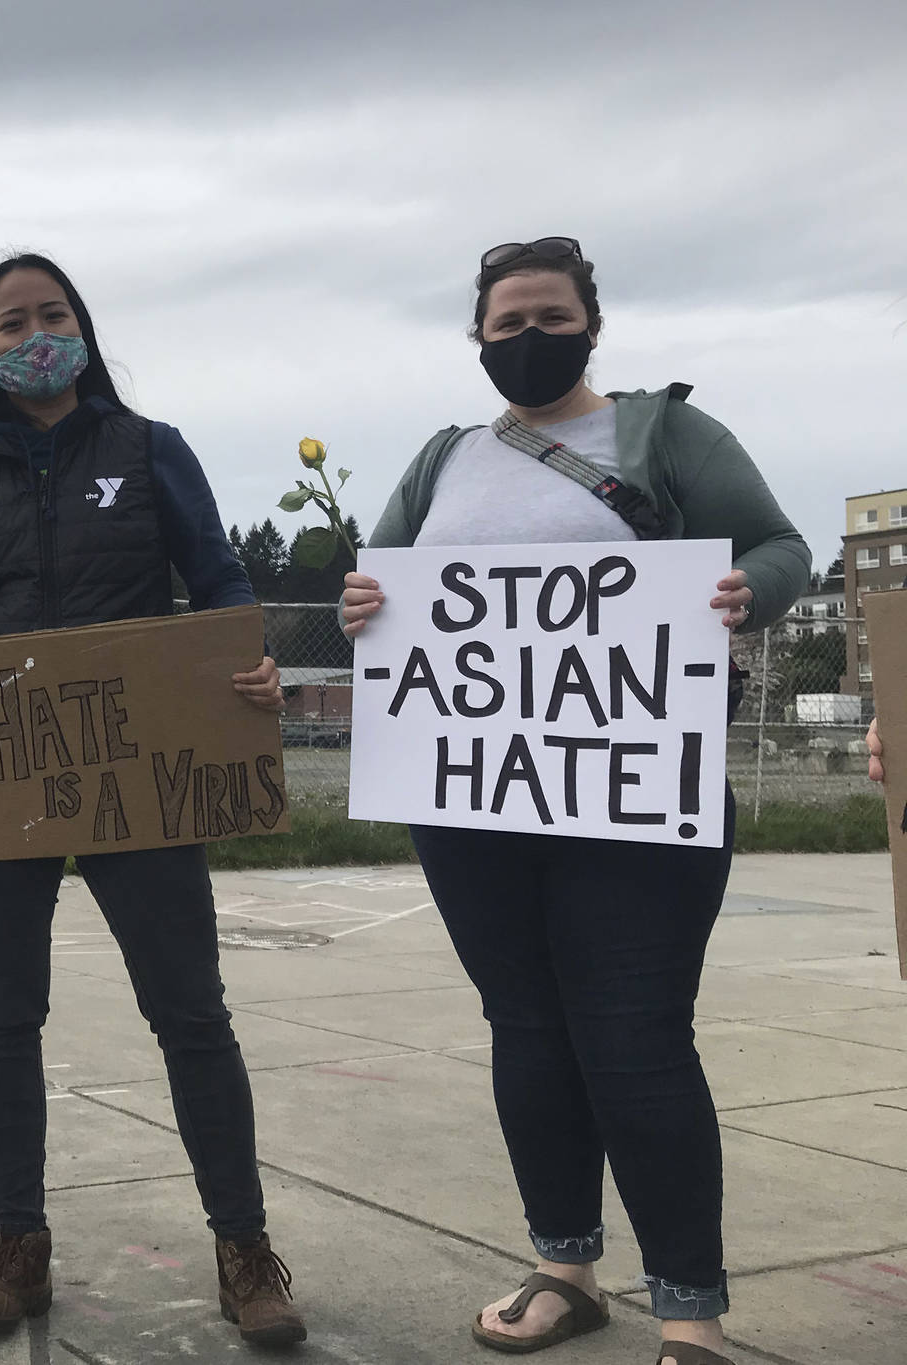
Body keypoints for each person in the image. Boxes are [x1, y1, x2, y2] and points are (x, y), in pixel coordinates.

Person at [339, 237, 810, 1365]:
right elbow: (384, 579)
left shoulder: (666, 437)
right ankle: (564, 1269)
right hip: (471, 802)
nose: (528, 337)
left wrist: (754, 592)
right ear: (477, 338)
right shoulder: (445, 455)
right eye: (505, 324)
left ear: (589, 322)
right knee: (526, 1031)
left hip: (638, 802)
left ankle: (687, 1317)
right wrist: (361, 603)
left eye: (548, 316)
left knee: (635, 1043)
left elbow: (780, 544)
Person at [0, 255, 300, 1347]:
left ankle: (243, 1249)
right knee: (2, 1020)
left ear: (83, 329)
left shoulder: (150, 450)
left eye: (50, 315)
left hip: (139, 775)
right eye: (11, 322)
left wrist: (248, 670)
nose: (33, 334)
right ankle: (17, 1245)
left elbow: (220, 588)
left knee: (190, 1014)